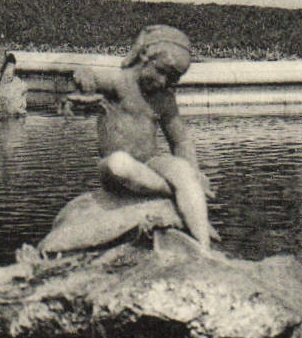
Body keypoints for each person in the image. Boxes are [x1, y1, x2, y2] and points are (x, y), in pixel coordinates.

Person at [71, 25, 213, 252]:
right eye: (162, 72)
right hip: (116, 170)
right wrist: (84, 78)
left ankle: (203, 246)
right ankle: (174, 191)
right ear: (145, 56)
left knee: (183, 170)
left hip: (149, 164)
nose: (164, 82)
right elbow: (88, 73)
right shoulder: (119, 82)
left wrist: (193, 172)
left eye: (173, 78)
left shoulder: (164, 98)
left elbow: (181, 141)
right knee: (120, 163)